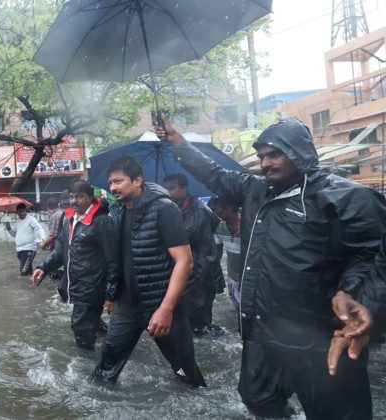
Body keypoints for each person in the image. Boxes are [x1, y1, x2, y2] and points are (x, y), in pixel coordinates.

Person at [157, 115, 386, 418]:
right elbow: (212, 173)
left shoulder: (345, 197)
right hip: (264, 330)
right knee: (255, 396)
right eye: (262, 156)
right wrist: (177, 140)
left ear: (299, 152)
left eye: (275, 154)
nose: (265, 163)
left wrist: (353, 293)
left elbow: (371, 257)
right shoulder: (256, 189)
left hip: (320, 337)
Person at [93, 156, 205, 387]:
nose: (112, 187)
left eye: (118, 181)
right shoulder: (117, 211)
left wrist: (166, 309)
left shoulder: (164, 209)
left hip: (162, 303)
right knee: (105, 369)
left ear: (137, 180)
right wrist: (112, 295)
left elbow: (185, 261)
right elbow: (116, 258)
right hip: (128, 305)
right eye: (110, 182)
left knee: (186, 373)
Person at [30, 181, 119, 351]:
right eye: (71, 197)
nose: (74, 201)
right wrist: (43, 267)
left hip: (91, 287)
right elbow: (60, 250)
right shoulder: (70, 220)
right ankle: (101, 341)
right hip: (76, 285)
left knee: (80, 327)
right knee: (86, 324)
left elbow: (113, 259)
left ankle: (86, 363)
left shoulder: (100, 222)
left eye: (79, 196)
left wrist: (111, 294)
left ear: (90, 197)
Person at [161, 173, 224, 337]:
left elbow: (199, 247)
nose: (168, 192)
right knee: (185, 321)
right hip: (186, 273)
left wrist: (195, 283)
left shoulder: (198, 211)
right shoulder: (175, 208)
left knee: (199, 326)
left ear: (184, 189)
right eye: (165, 188)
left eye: (172, 188)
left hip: (200, 276)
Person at [207, 195, 242, 312]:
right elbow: (217, 254)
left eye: (217, 209)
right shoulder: (219, 228)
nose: (215, 213)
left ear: (227, 209)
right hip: (233, 278)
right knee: (238, 310)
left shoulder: (249, 227)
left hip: (250, 278)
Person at [5, 203, 45, 276]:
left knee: (23, 270)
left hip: (29, 249)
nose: (22, 213)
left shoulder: (31, 219)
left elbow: (39, 228)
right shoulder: (17, 221)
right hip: (20, 250)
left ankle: (24, 286)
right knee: (28, 271)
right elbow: (15, 235)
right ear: (17, 212)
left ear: (26, 211)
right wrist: (9, 229)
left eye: (23, 211)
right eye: (20, 211)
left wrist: (42, 240)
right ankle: (33, 284)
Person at [40, 191, 69, 283]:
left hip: (57, 249)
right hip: (67, 249)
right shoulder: (65, 213)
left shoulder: (55, 216)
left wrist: (43, 246)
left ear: (48, 207)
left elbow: (52, 236)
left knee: (54, 273)